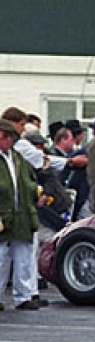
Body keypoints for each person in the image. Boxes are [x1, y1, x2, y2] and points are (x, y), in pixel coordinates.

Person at [0, 119, 41, 311]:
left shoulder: (17, 158)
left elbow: (28, 182)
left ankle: (23, 296)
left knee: (23, 256)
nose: (6, 141)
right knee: (0, 258)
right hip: (3, 214)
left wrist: (37, 192)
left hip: (22, 213)